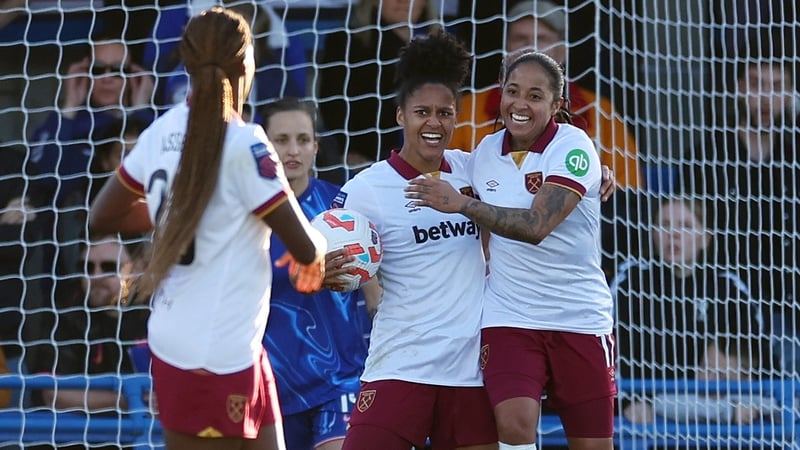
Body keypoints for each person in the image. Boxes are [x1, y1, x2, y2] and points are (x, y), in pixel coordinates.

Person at [87, 7, 327, 450]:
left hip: (227, 344)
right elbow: (303, 245)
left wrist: (173, 213)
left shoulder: (159, 132)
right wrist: (319, 251)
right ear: (246, 66)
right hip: (212, 354)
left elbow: (100, 216)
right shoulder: (247, 142)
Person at [406, 50, 617, 450]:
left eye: (535, 96)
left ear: (557, 105)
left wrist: (464, 204)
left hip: (579, 317)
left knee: (592, 444)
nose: (520, 104)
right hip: (510, 315)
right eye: (512, 91)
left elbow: (537, 226)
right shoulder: (484, 152)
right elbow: (434, 162)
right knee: (514, 424)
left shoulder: (573, 147)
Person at [332, 30, 498, 449]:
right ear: (400, 116)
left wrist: (593, 176)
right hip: (401, 363)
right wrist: (323, 269)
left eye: (445, 113)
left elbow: (535, 180)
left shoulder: (472, 169)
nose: (434, 122)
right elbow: (324, 249)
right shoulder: (367, 187)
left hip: (470, 372)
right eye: (422, 111)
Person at [677, 40, 799, 373]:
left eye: (776, 87)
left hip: (787, 305)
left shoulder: (793, 156)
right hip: (722, 306)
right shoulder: (707, 155)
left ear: (790, 94)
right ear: (740, 87)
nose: (765, 98)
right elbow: (685, 232)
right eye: (757, 85)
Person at [260, 97, 374, 450]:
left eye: (303, 139)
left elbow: (376, 297)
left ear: (316, 146)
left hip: (339, 380)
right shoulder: (244, 217)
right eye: (281, 140)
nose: (293, 150)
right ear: (262, 147)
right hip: (271, 383)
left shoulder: (341, 208)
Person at [450, 0, 643, 190]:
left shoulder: (599, 111)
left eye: (542, 38)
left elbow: (627, 188)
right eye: (520, 38)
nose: (531, 47)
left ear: (562, 51)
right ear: (506, 47)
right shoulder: (469, 108)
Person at [611, 197, 768, 424]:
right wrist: (629, 400)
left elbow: (757, 351)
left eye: (685, 225)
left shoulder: (728, 287)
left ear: (705, 238)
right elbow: (612, 348)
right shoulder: (631, 282)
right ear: (654, 234)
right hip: (649, 409)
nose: (673, 234)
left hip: (719, 407)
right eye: (664, 225)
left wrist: (742, 388)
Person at [29, 32, 155, 206]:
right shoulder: (64, 125)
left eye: (119, 70)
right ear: (84, 73)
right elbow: (44, 178)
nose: (107, 78)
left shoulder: (151, 122)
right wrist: (70, 106)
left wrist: (141, 108)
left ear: (134, 74)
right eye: (97, 69)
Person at [317, 0, 442, 169]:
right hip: (370, 156)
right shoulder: (347, 42)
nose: (404, 2)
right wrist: (347, 149)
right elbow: (333, 102)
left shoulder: (441, 47)